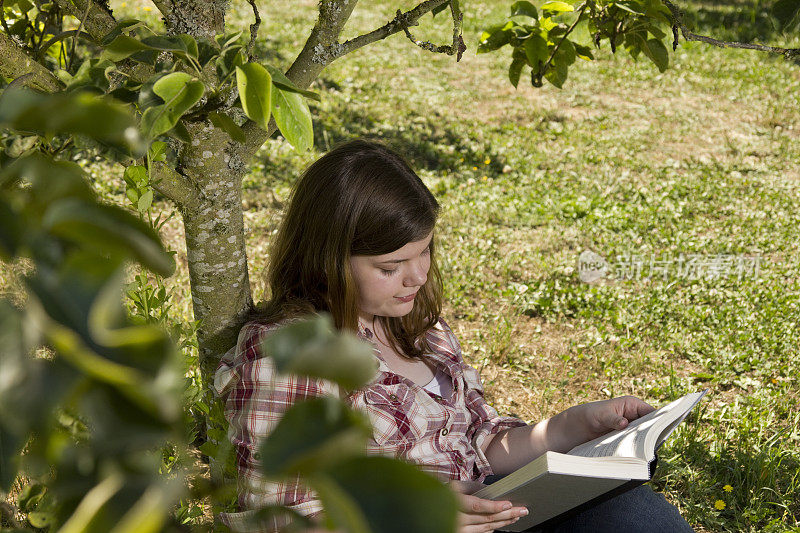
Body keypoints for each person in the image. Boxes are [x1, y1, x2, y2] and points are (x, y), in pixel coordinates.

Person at [214, 139, 694, 532]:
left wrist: (573, 428)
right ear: (327, 259)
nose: (418, 276)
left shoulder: (413, 322)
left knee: (630, 510)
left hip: (487, 513)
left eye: (424, 252)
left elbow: (477, 443)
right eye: (390, 266)